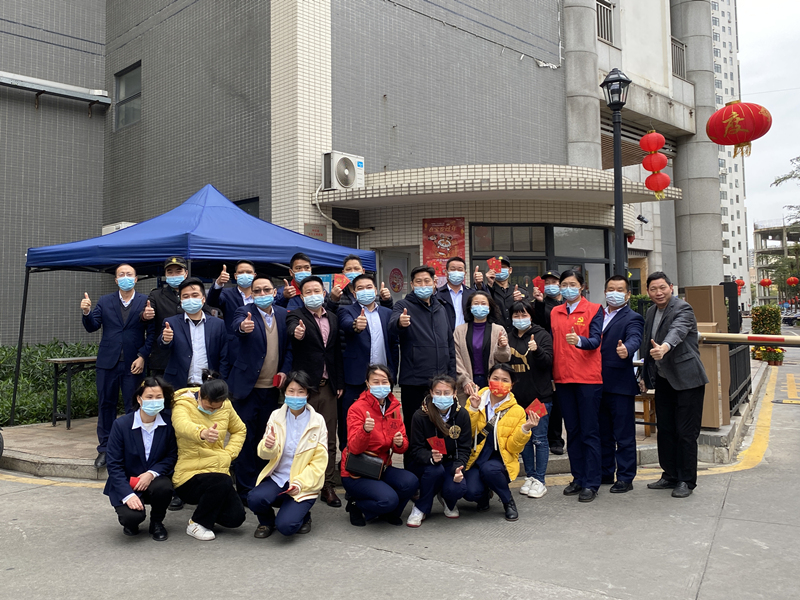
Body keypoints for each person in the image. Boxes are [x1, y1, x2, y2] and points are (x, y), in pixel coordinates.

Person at [639, 272, 708, 498]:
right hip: (664, 378)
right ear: (648, 291)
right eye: (653, 289)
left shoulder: (683, 308)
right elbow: (647, 343)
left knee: (686, 432)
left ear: (671, 287)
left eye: (662, 288)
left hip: (688, 379)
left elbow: (677, 331)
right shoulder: (651, 311)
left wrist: (665, 347)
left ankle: (686, 480)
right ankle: (669, 475)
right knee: (666, 430)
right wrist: (644, 375)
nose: (658, 293)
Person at [228, 275, 293, 503]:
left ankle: (263, 483)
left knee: (268, 437)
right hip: (247, 388)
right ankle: (245, 489)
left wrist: (284, 370)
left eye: (266, 290)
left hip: (271, 389)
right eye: (257, 291)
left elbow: (289, 348)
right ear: (252, 294)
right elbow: (237, 326)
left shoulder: (283, 314)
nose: (262, 294)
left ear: (274, 292)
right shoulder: (243, 312)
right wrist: (243, 327)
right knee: (246, 438)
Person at [81, 264, 154, 468]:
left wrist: (142, 356)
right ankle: (105, 449)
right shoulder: (105, 301)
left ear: (136, 279)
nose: (125, 277)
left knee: (133, 406)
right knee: (106, 404)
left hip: (134, 363)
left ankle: (130, 449)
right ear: (116, 280)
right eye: (121, 274)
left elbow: (152, 334)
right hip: (107, 363)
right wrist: (87, 312)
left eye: (129, 274)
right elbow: (92, 326)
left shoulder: (145, 301)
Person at [286, 275, 345, 508]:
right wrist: (296, 333)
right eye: (308, 292)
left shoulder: (333, 317)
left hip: (328, 386)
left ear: (324, 293)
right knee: (300, 438)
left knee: (328, 438)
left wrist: (339, 382)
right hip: (305, 389)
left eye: (316, 291)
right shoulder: (295, 316)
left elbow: (335, 352)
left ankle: (327, 485)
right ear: (302, 296)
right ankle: (300, 483)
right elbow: (292, 330)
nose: (313, 295)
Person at [247, 371, 328, 538]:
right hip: (278, 478)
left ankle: (304, 516)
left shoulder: (317, 421)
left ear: (307, 394)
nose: (295, 396)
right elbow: (263, 454)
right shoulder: (276, 416)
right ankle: (266, 522)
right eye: (291, 391)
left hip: (303, 482)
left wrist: (300, 483)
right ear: (284, 393)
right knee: (254, 498)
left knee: (286, 527)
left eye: (300, 391)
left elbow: (319, 462)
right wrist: (268, 446)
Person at [549, 269, 604, 502]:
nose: (568, 288)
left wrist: (579, 341)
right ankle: (578, 477)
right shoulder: (555, 311)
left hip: (587, 379)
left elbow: (596, 340)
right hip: (563, 378)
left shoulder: (594, 309)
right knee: (572, 431)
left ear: (581, 286)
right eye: (564, 285)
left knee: (589, 431)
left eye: (573, 284)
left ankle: (592, 482)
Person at [171, 370, 246, 540]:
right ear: (200, 395)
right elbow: (181, 425)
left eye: (216, 408)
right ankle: (196, 523)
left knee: (236, 518)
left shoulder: (225, 406)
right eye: (209, 406)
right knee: (223, 481)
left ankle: (207, 510)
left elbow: (240, 430)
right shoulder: (183, 404)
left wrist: (229, 454)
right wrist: (202, 433)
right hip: (189, 475)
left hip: (218, 470)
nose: (212, 410)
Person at [340, 364, 418, 527]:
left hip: (381, 467)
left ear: (390, 383)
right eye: (375, 382)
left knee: (411, 482)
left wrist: (399, 443)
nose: (380, 386)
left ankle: (388, 513)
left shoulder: (394, 408)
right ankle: (356, 505)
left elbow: (403, 446)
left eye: (384, 381)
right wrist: (365, 431)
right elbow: (354, 448)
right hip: (357, 471)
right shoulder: (357, 408)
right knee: (388, 499)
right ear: (367, 384)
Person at [103, 376, 178, 541]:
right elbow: (114, 464)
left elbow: (171, 456)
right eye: (149, 397)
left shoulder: (169, 424)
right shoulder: (121, 425)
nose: (154, 401)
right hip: (127, 482)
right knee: (132, 517)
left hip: (153, 480)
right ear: (139, 399)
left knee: (164, 487)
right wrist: (128, 495)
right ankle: (131, 522)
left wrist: (151, 473)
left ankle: (157, 523)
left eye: (158, 397)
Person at [389, 265, 456, 442]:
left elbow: (450, 345)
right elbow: (392, 326)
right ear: (412, 285)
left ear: (434, 283)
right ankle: (413, 460)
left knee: (440, 428)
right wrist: (400, 322)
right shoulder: (403, 305)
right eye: (418, 282)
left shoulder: (441, 308)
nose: (423, 285)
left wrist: (452, 378)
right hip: (414, 381)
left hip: (440, 382)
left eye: (427, 281)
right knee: (414, 429)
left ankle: (437, 458)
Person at [463, 363, 538, 521]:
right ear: (488, 379)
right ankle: (484, 495)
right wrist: (473, 410)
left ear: (512, 384)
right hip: (477, 456)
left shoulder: (517, 411)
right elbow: (466, 433)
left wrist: (525, 429)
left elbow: (513, 447)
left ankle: (507, 500)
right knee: (470, 492)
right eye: (495, 378)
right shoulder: (476, 399)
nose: (499, 383)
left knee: (489, 470)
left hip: (500, 459)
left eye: (505, 380)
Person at [338, 273, 399, 451]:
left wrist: (392, 374)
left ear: (376, 290)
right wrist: (356, 325)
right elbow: (346, 324)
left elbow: (393, 344)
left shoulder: (387, 313)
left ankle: (379, 459)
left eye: (369, 287)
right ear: (354, 293)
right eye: (360, 288)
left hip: (381, 381)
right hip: (356, 378)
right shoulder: (346, 310)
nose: (365, 291)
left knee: (380, 423)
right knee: (350, 422)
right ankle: (347, 458)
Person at [405, 375, 471, 527]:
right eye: (438, 392)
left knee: (457, 488)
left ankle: (448, 499)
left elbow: (464, 448)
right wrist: (429, 457)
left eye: (447, 393)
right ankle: (420, 507)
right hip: (426, 465)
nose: (442, 396)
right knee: (435, 471)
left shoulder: (462, 415)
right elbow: (415, 449)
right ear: (431, 393)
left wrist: (458, 468)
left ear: (454, 393)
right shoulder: (420, 415)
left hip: (450, 462)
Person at [599, 275, 644, 493]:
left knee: (624, 435)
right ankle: (605, 472)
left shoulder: (633, 318)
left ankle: (625, 476)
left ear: (627, 294)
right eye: (610, 289)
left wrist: (627, 349)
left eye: (619, 290)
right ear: (605, 292)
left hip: (620, 386)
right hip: (596, 384)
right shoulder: (597, 315)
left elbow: (635, 338)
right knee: (603, 433)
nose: (614, 293)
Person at [506, 300, 554, 500]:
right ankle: (530, 476)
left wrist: (537, 350)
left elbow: (548, 362)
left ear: (531, 316)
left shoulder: (541, 335)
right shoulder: (508, 336)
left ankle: (540, 480)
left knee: (539, 439)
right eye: (516, 315)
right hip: (518, 400)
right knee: (524, 439)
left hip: (539, 398)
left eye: (523, 315)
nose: (520, 319)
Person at [141, 257, 211, 378]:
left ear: (186, 273)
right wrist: (145, 315)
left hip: (192, 358)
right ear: (165, 275)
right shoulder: (156, 295)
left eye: (178, 271)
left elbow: (208, 315)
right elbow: (145, 315)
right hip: (164, 359)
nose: (174, 275)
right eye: (170, 272)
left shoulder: (195, 296)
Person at [157, 277, 229, 391]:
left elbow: (224, 356)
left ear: (203, 299)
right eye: (185, 296)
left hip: (210, 387)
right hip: (178, 385)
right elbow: (162, 346)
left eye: (195, 295)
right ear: (181, 300)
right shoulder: (171, 322)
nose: (190, 299)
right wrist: (165, 339)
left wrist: (221, 382)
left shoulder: (218, 324)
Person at [531, 269, 566, 455]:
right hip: (545, 357)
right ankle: (541, 437)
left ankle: (556, 438)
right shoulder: (540, 304)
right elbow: (538, 324)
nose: (551, 285)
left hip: (566, 359)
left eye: (554, 281)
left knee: (559, 402)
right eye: (547, 282)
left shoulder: (568, 304)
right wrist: (538, 303)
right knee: (544, 398)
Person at [454, 290, 510, 399]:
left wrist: (502, 348)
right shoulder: (460, 331)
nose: (480, 306)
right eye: (476, 303)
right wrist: (465, 380)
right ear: (470, 307)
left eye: (483, 303)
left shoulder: (498, 330)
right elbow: (456, 358)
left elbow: (505, 358)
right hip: (467, 383)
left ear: (490, 307)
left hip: (492, 382)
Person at [206, 260, 256, 361]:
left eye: (248, 272)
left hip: (258, 346)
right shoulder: (227, 294)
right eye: (241, 272)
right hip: (234, 349)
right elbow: (212, 301)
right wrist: (218, 283)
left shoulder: (262, 295)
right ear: (235, 276)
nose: (245, 275)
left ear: (254, 275)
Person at [326, 254, 394, 310]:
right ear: (343, 272)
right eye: (348, 269)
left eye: (356, 269)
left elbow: (388, 314)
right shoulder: (335, 295)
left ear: (363, 271)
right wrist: (333, 300)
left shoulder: (376, 295)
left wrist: (387, 300)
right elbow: (328, 315)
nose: (353, 272)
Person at [481, 256, 527, 329]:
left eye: (503, 267)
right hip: (494, 332)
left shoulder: (520, 292)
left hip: (516, 332)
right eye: (497, 267)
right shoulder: (487, 290)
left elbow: (530, 313)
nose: (500, 270)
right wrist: (489, 284)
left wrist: (520, 302)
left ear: (510, 270)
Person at [437, 256, 479, 331]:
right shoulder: (437, 294)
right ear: (446, 272)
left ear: (465, 273)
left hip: (466, 335)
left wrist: (479, 285)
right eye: (453, 269)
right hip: (445, 335)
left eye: (460, 270)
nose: (456, 272)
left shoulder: (472, 294)